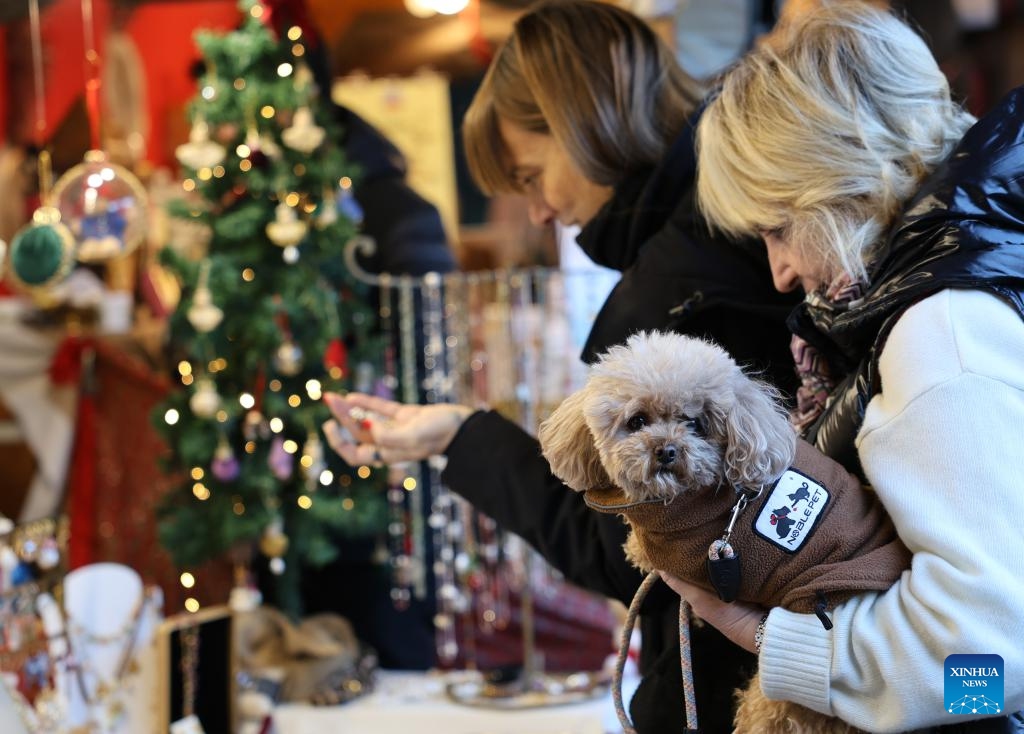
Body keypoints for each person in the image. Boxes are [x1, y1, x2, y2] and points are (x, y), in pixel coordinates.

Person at [324, 2, 799, 731]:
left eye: (531, 173)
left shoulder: (678, 282)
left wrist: (463, 438)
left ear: (584, 123)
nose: (540, 211)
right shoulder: (705, 237)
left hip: (738, 691)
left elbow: (619, 548)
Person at [664, 3, 1024, 731]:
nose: (781, 272)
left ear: (838, 181)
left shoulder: (940, 336)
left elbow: (996, 656)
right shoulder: (966, 283)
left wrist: (780, 647)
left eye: (776, 227)